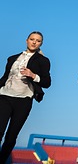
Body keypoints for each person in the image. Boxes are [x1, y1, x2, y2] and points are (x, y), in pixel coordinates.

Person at [0, 31, 51, 164]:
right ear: (26, 40)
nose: (34, 42)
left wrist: (33, 75)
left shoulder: (43, 61)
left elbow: (47, 82)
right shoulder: (12, 58)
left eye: (38, 40)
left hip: (23, 100)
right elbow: (5, 77)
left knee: (11, 137)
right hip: (5, 96)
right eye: (32, 39)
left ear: (41, 43)